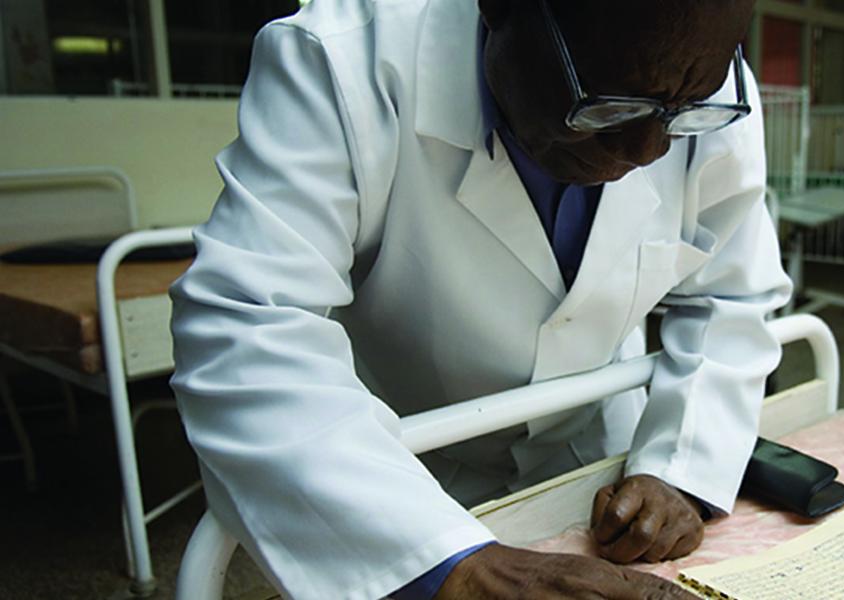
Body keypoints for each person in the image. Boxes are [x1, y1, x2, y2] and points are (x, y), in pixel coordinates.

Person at [169, 0, 791, 597]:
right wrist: (450, 569)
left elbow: (732, 296)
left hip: (603, 467)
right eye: (607, 107)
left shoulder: (700, 90)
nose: (646, 152)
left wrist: (681, 465)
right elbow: (247, 324)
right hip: (398, 486)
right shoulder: (342, 61)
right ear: (499, 5)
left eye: (680, 115)